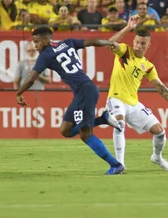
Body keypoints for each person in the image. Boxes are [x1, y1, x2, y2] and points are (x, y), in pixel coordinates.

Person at [16, 27, 126, 175]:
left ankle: (116, 164)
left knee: (85, 134)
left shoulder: (45, 55)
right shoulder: (68, 42)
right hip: (84, 90)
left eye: (37, 42)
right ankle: (102, 119)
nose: (35, 45)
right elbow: (91, 42)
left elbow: (31, 78)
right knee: (66, 130)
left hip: (84, 92)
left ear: (45, 40)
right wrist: (107, 42)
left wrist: (19, 93)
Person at [106, 17, 168, 170]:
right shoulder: (125, 52)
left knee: (159, 131)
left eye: (143, 43)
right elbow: (110, 44)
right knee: (119, 125)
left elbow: (160, 87)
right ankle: (120, 164)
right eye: (137, 42)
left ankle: (157, 157)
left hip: (133, 103)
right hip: (116, 98)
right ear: (133, 42)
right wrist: (127, 28)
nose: (139, 45)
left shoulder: (148, 66)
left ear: (148, 45)